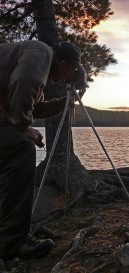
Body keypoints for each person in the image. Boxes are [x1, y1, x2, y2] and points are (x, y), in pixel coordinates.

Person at [0, 40, 87, 260]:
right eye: (70, 73)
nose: (66, 79)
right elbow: (24, 82)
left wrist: (63, 104)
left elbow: (33, 106)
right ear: (64, 62)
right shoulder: (41, 52)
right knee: (21, 148)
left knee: (15, 148)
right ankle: (14, 242)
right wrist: (23, 126)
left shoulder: (37, 60)